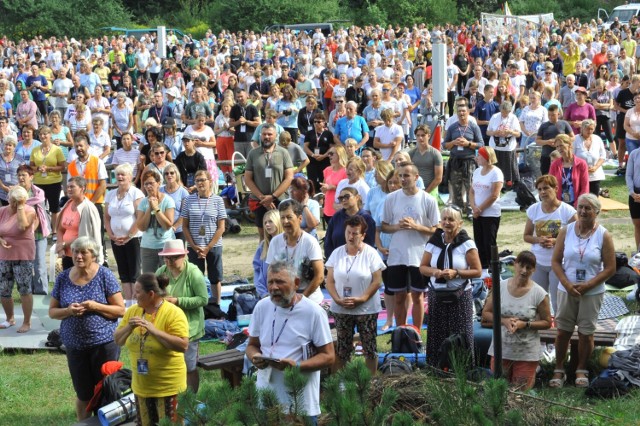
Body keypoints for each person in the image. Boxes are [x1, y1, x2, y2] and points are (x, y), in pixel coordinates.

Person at [246, 261, 334, 423]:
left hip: (300, 398)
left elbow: (328, 356)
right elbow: (252, 345)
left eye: (280, 282)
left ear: (296, 283)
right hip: (267, 395)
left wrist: (297, 366)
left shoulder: (313, 312)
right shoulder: (262, 307)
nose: (273, 287)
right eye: (270, 282)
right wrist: (255, 357)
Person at [49, 237, 124, 421]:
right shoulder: (63, 278)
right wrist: (68, 311)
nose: (78, 256)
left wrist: (95, 306)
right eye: (75, 252)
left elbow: (120, 310)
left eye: (84, 252)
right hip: (75, 345)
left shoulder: (104, 275)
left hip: (104, 343)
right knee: (83, 393)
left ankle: (109, 422)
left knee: (106, 390)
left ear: (94, 255)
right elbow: (52, 312)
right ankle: (84, 424)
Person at [550, 194, 616, 388]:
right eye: (580, 207)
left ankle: (582, 368)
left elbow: (610, 268)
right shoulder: (566, 231)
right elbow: (555, 261)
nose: (583, 211)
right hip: (566, 289)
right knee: (563, 331)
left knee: (587, 333)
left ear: (596, 212)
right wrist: (567, 284)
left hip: (592, 291)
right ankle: (559, 368)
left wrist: (589, 285)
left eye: (588, 208)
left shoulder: (603, 235)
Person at [114, 273, 188, 425]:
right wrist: (129, 327)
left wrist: (154, 331)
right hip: (142, 388)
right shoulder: (133, 311)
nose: (134, 295)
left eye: (138, 291)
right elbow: (118, 340)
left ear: (151, 294)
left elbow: (183, 345)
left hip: (168, 388)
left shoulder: (173, 313)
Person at [419, 206, 482, 366]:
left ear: (459, 223)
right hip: (437, 294)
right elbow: (423, 267)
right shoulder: (433, 242)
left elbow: (477, 271)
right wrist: (436, 272)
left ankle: (463, 370)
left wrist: (457, 273)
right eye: (444, 219)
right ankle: (436, 368)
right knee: (436, 334)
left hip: (460, 295)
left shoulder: (467, 244)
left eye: (451, 219)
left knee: (460, 333)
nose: (446, 222)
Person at [482, 251, 552, 390]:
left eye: (529, 267)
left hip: (527, 351)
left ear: (534, 270)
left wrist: (524, 324)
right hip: (501, 348)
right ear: (514, 265)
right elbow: (486, 313)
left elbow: (547, 322)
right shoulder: (500, 287)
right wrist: (504, 321)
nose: (524, 271)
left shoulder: (539, 293)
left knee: (520, 393)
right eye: (521, 265)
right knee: (498, 390)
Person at [382, 162, 439, 327]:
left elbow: (436, 230)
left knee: (417, 296)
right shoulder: (391, 198)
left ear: (416, 177)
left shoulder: (428, 199)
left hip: (419, 255)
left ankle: (416, 334)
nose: (402, 179)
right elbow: (384, 226)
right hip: (397, 255)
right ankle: (401, 332)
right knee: (399, 296)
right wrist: (397, 226)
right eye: (400, 176)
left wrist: (416, 227)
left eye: (406, 175)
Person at [326, 215, 385, 374]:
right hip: (341, 308)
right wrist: (337, 299)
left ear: (363, 235)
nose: (351, 236)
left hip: (366, 309)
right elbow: (329, 281)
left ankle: (370, 384)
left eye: (355, 233)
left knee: (369, 347)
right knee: (342, 348)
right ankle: (340, 383)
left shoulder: (371, 253)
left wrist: (363, 298)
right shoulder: (337, 253)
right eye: (348, 232)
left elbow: (377, 280)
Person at [156, 240, 208, 392]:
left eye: (173, 257)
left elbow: (203, 299)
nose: (169, 261)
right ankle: (172, 397)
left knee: (189, 367)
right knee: (169, 365)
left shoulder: (193, 273)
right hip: (167, 328)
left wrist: (177, 301)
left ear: (184, 256)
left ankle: (191, 401)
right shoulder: (161, 272)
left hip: (190, 328)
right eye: (166, 258)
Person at [266, 200, 325, 304]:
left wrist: (301, 299)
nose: (285, 221)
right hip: (284, 297)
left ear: (300, 219)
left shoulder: (310, 242)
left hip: (309, 298)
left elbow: (319, 276)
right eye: (282, 217)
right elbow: (270, 272)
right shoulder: (275, 242)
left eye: (289, 217)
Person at [181, 170, 226, 305]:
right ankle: (200, 305)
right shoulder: (189, 200)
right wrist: (194, 246)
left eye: (202, 180)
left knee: (215, 277)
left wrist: (208, 247)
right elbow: (184, 226)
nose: (200, 183)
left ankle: (216, 304)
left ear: (210, 181)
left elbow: (221, 227)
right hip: (194, 246)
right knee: (196, 277)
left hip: (213, 245)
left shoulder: (218, 200)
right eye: (197, 180)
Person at [244, 123, 294, 241]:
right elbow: (248, 179)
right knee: (264, 237)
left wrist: (273, 196)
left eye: (269, 134)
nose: (266, 137)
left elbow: (289, 177)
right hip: (260, 202)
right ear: (260, 135)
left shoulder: (283, 153)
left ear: (275, 135)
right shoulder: (253, 153)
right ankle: (264, 259)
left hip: (280, 201)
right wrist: (263, 198)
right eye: (264, 134)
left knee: (283, 234)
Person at [104, 163, 145, 307]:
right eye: (118, 174)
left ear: (130, 177)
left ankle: (137, 303)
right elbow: (107, 218)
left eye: (123, 174)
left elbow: (140, 217)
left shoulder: (136, 193)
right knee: (123, 272)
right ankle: (128, 303)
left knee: (134, 272)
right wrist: (111, 235)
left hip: (133, 238)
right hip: (116, 239)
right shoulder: (110, 194)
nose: (120, 177)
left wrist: (128, 235)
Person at [0, 186, 37, 333]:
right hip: (4, 255)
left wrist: (21, 207)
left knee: (24, 289)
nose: (14, 204)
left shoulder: (29, 211)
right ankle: (10, 318)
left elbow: (22, 226)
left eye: (17, 201)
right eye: (12, 201)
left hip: (23, 255)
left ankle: (27, 322)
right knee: (3, 289)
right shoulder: (2, 211)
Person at [443, 97, 484, 216]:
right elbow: (444, 144)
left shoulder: (473, 127)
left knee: (470, 186)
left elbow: (481, 144)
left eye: (464, 111)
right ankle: (458, 209)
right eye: (459, 111)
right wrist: (453, 143)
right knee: (456, 187)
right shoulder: (452, 127)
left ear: (468, 113)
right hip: (455, 160)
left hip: (469, 161)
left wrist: (468, 144)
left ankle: (471, 209)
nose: (461, 114)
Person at [56, 177, 103, 269]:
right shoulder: (68, 204)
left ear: (82, 188)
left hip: (82, 256)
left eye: (72, 187)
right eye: (68, 187)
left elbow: (86, 236)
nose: (69, 189)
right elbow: (60, 229)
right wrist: (61, 247)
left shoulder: (88, 208)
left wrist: (64, 244)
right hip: (66, 255)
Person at [18, 165, 51, 295]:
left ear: (31, 177)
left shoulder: (38, 193)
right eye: (19, 175)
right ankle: (28, 292)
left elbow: (38, 215)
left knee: (39, 264)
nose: (21, 178)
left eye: (24, 175)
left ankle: (41, 291)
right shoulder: (15, 193)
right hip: (21, 234)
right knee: (26, 265)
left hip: (38, 233)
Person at [469, 146, 503, 271]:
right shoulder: (477, 171)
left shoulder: (496, 172)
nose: (477, 158)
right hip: (477, 212)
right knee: (478, 241)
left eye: (479, 156)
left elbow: (494, 195)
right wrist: (473, 207)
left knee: (489, 242)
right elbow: (471, 191)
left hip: (490, 212)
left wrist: (480, 209)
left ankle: (493, 266)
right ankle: (482, 266)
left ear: (487, 157)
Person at [136, 170, 176, 273]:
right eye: (146, 184)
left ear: (158, 183)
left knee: (168, 279)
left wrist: (156, 208)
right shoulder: (143, 203)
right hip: (147, 247)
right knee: (149, 280)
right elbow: (141, 227)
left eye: (151, 183)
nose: (149, 186)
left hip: (166, 246)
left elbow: (167, 225)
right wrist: (149, 209)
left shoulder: (168, 200)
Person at [30, 125, 66, 233]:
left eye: (45, 133)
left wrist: (49, 168)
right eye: (40, 134)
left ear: (50, 135)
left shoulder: (57, 150)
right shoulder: (35, 150)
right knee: (38, 207)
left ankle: (55, 231)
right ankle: (42, 230)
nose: (43, 136)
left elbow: (63, 166)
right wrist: (37, 168)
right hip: (38, 182)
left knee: (54, 208)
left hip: (54, 182)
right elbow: (31, 166)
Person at [325, 187, 376, 259]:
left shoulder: (366, 218)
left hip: (358, 261)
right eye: (340, 198)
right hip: (337, 261)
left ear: (357, 197)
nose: (343, 200)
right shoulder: (336, 217)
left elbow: (369, 244)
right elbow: (328, 241)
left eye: (347, 196)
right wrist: (331, 260)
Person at [549, 134, 589, 208]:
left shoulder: (581, 163)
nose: (559, 148)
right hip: (559, 205)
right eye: (557, 146)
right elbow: (550, 186)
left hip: (577, 204)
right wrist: (555, 203)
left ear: (569, 145)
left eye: (561, 145)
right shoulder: (555, 164)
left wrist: (578, 204)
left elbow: (585, 187)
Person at [486, 101, 520, 187]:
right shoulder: (495, 117)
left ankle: (509, 183)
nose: (504, 114)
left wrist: (510, 132)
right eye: (503, 112)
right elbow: (488, 132)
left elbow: (518, 134)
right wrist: (495, 132)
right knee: (495, 167)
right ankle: (495, 183)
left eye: (506, 113)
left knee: (509, 166)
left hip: (508, 147)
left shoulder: (513, 118)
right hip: (495, 146)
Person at [536, 104, 574, 175]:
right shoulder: (543, 126)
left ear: (558, 114)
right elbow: (538, 140)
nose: (550, 117)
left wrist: (561, 142)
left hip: (562, 156)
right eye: (549, 115)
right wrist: (547, 142)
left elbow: (572, 137)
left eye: (553, 115)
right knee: (547, 177)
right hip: (546, 156)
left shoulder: (564, 123)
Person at [253, 210, 283, 299]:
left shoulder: (286, 245)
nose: (267, 225)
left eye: (270, 221)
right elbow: (257, 270)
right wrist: (263, 292)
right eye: (265, 222)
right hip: (265, 293)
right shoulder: (263, 246)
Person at [407, 124, 443, 195]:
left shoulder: (436, 154)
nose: (420, 138)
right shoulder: (411, 153)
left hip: (431, 190)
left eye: (423, 135)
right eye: (418, 135)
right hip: (414, 189)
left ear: (429, 136)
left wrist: (425, 193)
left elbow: (438, 178)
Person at [574, 119, 606, 196]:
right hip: (579, 174)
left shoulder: (597, 139)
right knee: (581, 196)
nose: (590, 131)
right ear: (582, 128)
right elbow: (571, 156)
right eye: (587, 129)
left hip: (595, 174)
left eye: (592, 129)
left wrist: (595, 167)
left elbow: (603, 155)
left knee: (594, 197)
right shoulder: (575, 139)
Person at [303, 112, 333, 193]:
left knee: (323, 179)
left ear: (324, 122)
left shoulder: (328, 134)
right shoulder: (309, 133)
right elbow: (305, 147)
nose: (316, 124)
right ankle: (312, 195)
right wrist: (312, 155)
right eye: (315, 122)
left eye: (319, 122)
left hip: (324, 161)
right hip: (312, 161)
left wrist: (324, 155)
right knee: (312, 181)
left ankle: (322, 196)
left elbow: (331, 148)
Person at [159, 163, 189, 240]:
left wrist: (174, 227)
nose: (169, 175)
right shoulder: (160, 190)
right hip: (162, 230)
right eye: (166, 173)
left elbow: (184, 213)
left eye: (172, 173)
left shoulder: (183, 192)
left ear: (176, 174)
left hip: (178, 230)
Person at [229, 90, 261, 157]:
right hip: (238, 140)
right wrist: (238, 122)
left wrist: (246, 121)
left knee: (250, 162)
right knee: (239, 163)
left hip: (250, 139)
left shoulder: (252, 107)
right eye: (238, 97)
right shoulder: (234, 108)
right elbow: (230, 123)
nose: (240, 98)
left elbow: (258, 123)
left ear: (246, 95)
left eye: (241, 96)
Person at [0, 135, 23, 206]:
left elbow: (23, 173)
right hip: (2, 191)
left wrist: (16, 187)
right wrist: (3, 187)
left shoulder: (19, 158)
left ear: (14, 147)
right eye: (6, 145)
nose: (7, 147)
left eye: (10, 145)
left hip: (17, 190)